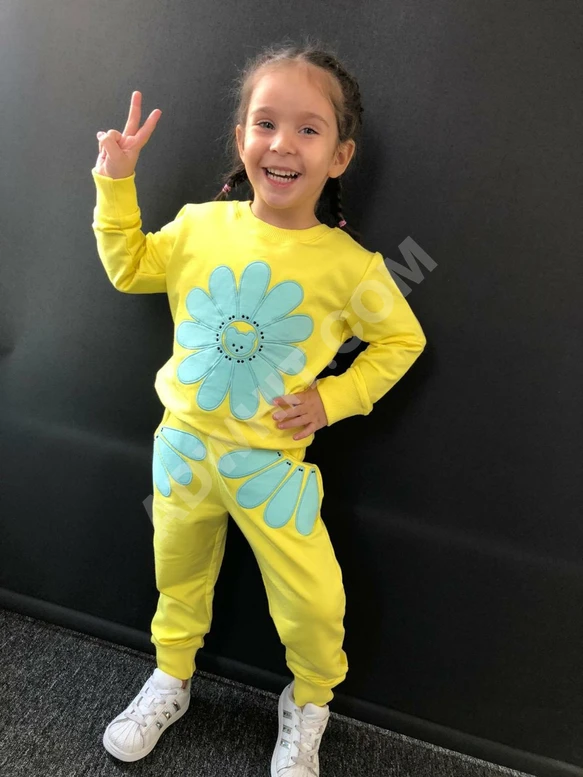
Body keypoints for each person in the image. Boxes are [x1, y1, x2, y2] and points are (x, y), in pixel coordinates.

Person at [91, 39, 426, 777]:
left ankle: (309, 702)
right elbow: (129, 267)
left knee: (312, 599)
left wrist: (332, 399)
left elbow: (402, 340)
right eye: (265, 123)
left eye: (308, 129)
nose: (282, 144)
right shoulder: (199, 226)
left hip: (271, 467)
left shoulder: (350, 266)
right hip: (182, 449)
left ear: (340, 156)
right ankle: (170, 677)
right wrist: (116, 181)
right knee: (177, 575)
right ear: (241, 135)